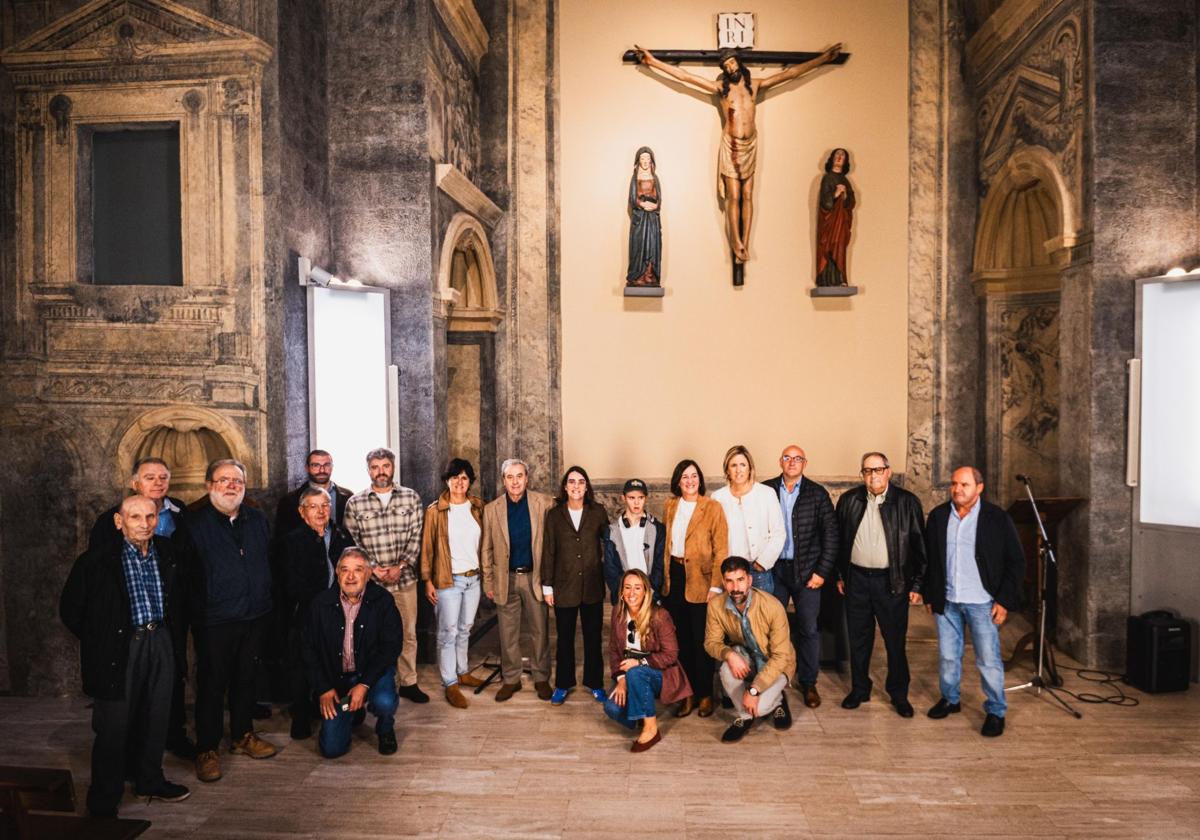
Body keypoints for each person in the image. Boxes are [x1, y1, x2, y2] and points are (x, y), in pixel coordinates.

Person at [635, 44, 842, 266]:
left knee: (748, 194)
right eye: (725, 65)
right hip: (731, 145)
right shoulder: (721, 89)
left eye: (732, 62)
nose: (729, 67)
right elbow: (685, 78)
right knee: (734, 196)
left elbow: (790, 74)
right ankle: (735, 240)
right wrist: (652, 61)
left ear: (738, 63)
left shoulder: (756, 85)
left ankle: (745, 240)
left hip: (750, 145)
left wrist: (822, 59)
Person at [61, 495, 191, 816]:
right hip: (121, 647)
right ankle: (105, 797)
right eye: (135, 517)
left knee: (156, 716)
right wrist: (104, 640)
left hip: (159, 640)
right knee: (113, 726)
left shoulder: (168, 552)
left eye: (150, 516)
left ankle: (149, 780)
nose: (144, 524)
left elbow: (181, 600)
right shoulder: (95, 561)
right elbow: (71, 611)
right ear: (120, 522)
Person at [87, 456, 194, 760]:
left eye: (163, 477)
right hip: (128, 627)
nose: (158, 482)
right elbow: (85, 597)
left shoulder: (180, 512)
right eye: (150, 477)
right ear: (135, 483)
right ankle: (124, 767)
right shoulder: (110, 522)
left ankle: (170, 741)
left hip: (165, 618)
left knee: (167, 686)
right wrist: (106, 630)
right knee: (124, 699)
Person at [189, 459, 278, 782]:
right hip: (214, 619)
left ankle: (242, 736)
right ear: (209, 485)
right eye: (224, 480)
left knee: (246, 679)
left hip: (254, 615)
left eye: (237, 481)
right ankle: (207, 749)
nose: (231, 486)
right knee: (212, 685)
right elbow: (187, 577)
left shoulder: (255, 519)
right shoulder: (194, 523)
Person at [922, 466, 1024, 737]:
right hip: (947, 600)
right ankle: (950, 700)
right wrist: (931, 594)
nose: (957, 489)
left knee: (988, 659)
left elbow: (1016, 562)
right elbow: (929, 559)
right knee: (947, 656)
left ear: (979, 488)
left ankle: (995, 710)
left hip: (982, 602)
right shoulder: (939, 516)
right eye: (954, 484)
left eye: (964, 485)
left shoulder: (997, 519)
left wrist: (1003, 600)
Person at [834, 452, 926, 717]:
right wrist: (841, 575)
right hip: (858, 581)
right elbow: (840, 543)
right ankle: (860, 688)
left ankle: (899, 695)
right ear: (862, 474)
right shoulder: (849, 500)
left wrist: (917, 585)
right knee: (859, 640)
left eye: (878, 470)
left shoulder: (907, 503)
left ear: (888, 471)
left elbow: (920, 547)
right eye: (867, 471)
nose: (872, 475)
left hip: (892, 582)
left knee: (894, 642)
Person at [343, 447, 427, 704]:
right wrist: (373, 569)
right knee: (368, 633)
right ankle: (374, 683)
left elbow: (417, 535)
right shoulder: (355, 503)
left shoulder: (411, 498)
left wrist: (400, 566)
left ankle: (408, 682)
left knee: (407, 632)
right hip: (369, 583)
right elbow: (353, 541)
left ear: (393, 467)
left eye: (385, 466)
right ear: (369, 470)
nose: (381, 471)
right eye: (375, 467)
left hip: (404, 579)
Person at [305, 547, 402, 758]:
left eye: (358, 570)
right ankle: (353, 712)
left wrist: (364, 684)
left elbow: (391, 647)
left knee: (384, 701)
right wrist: (323, 688)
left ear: (368, 574)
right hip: (336, 680)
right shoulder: (320, 604)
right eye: (344, 570)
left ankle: (385, 728)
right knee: (331, 749)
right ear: (337, 573)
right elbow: (308, 649)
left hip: (372, 675)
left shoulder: (382, 601)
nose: (351, 576)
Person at [762, 444, 838, 709]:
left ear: (805, 463)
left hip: (807, 572)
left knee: (808, 628)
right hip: (774, 571)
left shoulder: (817, 494)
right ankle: (773, 682)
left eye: (797, 459)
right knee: (772, 630)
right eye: (787, 458)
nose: (792, 462)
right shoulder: (766, 490)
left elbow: (831, 536)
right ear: (780, 462)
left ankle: (809, 683)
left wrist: (822, 572)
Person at [280, 486, 355, 738]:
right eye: (313, 506)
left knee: (337, 662)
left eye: (325, 505)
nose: (321, 511)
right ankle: (300, 715)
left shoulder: (343, 536)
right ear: (302, 512)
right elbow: (289, 582)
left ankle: (341, 709)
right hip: (306, 613)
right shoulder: (291, 541)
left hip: (341, 613)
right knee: (302, 665)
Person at [481, 458, 555, 701]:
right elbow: (487, 549)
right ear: (504, 480)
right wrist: (489, 582)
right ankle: (511, 679)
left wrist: (550, 581)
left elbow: (552, 545)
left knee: (540, 631)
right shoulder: (492, 509)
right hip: (506, 579)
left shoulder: (543, 503)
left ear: (527, 478)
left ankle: (541, 677)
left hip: (535, 577)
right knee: (508, 633)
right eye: (510, 477)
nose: (515, 481)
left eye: (519, 476)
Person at [661, 458, 728, 718]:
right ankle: (686, 694)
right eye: (684, 477)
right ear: (678, 481)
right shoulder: (670, 506)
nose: (689, 481)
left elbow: (721, 550)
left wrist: (715, 587)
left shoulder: (712, 507)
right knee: (681, 641)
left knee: (701, 641)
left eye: (694, 476)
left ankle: (705, 695)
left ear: (700, 479)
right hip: (675, 578)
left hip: (701, 580)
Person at [704, 556, 796, 743]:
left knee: (760, 708)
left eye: (740, 580)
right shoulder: (715, 606)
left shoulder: (772, 606)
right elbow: (711, 642)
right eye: (729, 581)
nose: (735, 587)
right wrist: (728, 654)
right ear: (723, 582)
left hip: (776, 663)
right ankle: (745, 717)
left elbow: (780, 656)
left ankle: (777, 699)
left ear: (750, 580)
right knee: (725, 668)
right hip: (747, 657)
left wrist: (754, 690)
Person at [420, 458, 487, 708]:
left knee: (465, 627)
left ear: (470, 482)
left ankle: (463, 671)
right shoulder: (435, 510)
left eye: (465, 477)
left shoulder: (478, 507)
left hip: (473, 578)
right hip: (447, 580)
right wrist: (427, 580)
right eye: (455, 477)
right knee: (447, 631)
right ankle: (450, 682)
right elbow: (426, 548)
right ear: (447, 480)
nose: (460, 482)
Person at [541, 465, 610, 705]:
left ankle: (595, 683)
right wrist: (547, 587)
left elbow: (609, 547)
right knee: (564, 638)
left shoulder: (598, 512)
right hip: (564, 586)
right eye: (572, 482)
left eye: (581, 482)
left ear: (586, 486)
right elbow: (548, 551)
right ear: (564, 486)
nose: (576, 486)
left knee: (593, 637)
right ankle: (563, 684)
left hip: (592, 585)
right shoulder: (554, 515)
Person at [603, 569, 691, 752]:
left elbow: (671, 654)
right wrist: (620, 679)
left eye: (637, 588)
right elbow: (613, 650)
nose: (631, 593)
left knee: (636, 672)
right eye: (627, 588)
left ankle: (651, 729)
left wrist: (639, 663)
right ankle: (641, 712)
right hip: (630, 674)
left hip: (660, 673)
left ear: (646, 591)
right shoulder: (618, 612)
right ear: (621, 592)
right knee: (612, 708)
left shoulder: (660, 615)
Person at [711, 445, 786, 595]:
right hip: (730, 571)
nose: (738, 470)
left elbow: (779, 533)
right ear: (727, 470)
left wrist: (762, 563)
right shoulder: (717, 498)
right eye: (733, 465)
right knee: (731, 616)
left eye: (742, 465)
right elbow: (713, 537)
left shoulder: (766, 493)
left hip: (758, 570)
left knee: (760, 616)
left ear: (750, 468)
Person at [602, 478, 665, 603]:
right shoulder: (612, 531)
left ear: (645, 498)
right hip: (624, 597)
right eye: (631, 498)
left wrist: (649, 592)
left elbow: (660, 565)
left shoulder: (658, 529)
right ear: (623, 498)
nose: (636, 502)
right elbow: (610, 568)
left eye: (640, 498)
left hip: (650, 596)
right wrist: (625, 593)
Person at [274, 449, 354, 536]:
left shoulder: (348, 497)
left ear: (332, 467)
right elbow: (282, 538)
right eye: (316, 465)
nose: (322, 470)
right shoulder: (289, 501)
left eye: (326, 465)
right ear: (307, 468)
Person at [815, 147, 856, 287]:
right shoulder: (827, 178)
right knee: (828, 246)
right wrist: (835, 194)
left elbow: (851, 203)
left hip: (841, 223)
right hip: (829, 223)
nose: (839, 157)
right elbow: (825, 203)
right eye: (837, 154)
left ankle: (840, 278)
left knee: (839, 248)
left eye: (843, 156)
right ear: (832, 158)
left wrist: (845, 197)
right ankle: (826, 278)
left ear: (845, 161)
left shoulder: (845, 181)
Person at [626, 146, 662, 287]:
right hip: (639, 219)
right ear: (638, 161)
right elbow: (632, 198)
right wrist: (642, 205)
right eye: (642, 158)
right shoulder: (635, 178)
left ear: (651, 161)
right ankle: (637, 275)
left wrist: (655, 205)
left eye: (647, 158)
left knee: (652, 246)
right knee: (639, 246)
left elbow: (659, 198)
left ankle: (649, 275)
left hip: (652, 219)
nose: (645, 161)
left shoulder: (655, 178)